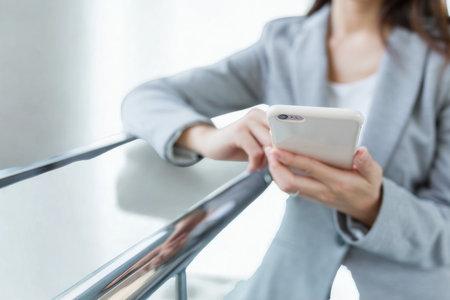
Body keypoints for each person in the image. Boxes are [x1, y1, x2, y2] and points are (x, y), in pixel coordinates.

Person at [121, 0, 450, 299]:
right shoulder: (283, 46)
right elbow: (144, 100)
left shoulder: (440, 61)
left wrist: (373, 206)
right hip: (288, 280)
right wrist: (208, 139)